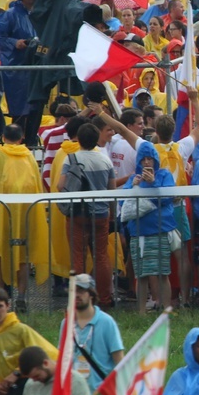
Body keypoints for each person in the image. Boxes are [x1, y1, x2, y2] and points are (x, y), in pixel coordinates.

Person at [57, 123, 116, 308]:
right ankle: (105, 298)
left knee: (78, 256)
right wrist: (112, 215)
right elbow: (112, 190)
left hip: (77, 214)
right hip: (100, 214)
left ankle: (79, 299)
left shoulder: (71, 159)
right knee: (101, 256)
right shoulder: (105, 160)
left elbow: (60, 186)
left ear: (79, 139)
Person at [121, 142, 177, 313]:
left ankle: (167, 311)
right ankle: (140, 313)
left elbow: (169, 197)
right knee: (141, 274)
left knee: (162, 273)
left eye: (150, 159)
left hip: (159, 230)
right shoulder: (133, 179)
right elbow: (124, 204)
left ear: (155, 160)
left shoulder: (164, 175)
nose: (146, 163)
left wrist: (153, 184)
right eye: (143, 159)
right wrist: (133, 187)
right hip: (138, 232)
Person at [0, 124, 49, 311]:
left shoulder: (0, 153)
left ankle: (1, 295)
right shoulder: (28, 156)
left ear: (3, 137)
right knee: (24, 254)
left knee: (0, 252)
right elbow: (37, 184)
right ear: (21, 139)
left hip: (2, 213)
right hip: (27, 213)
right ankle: (21, 296)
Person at [0, 289, 58, 395]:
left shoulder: (20, 330)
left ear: (7, 306)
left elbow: (39, 353)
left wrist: (16, 373)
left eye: (0, 306)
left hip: (21, 382)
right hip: (1, 388)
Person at [61, 274, 124, 393]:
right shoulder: (66, 323)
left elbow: (119, 360)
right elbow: (63, 359)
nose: (76, 295)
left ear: (91, 294)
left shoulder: (106, 322)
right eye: (73, 291)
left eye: (81, 290)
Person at [0, 0, 35, 128]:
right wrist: (15, 43)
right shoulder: (11, 14)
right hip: (16, 68)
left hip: (35, 67)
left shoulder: (40, 13)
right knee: (20, 109)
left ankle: (30, 140)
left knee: (35, 109)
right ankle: (16, 140)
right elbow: (1, 37)